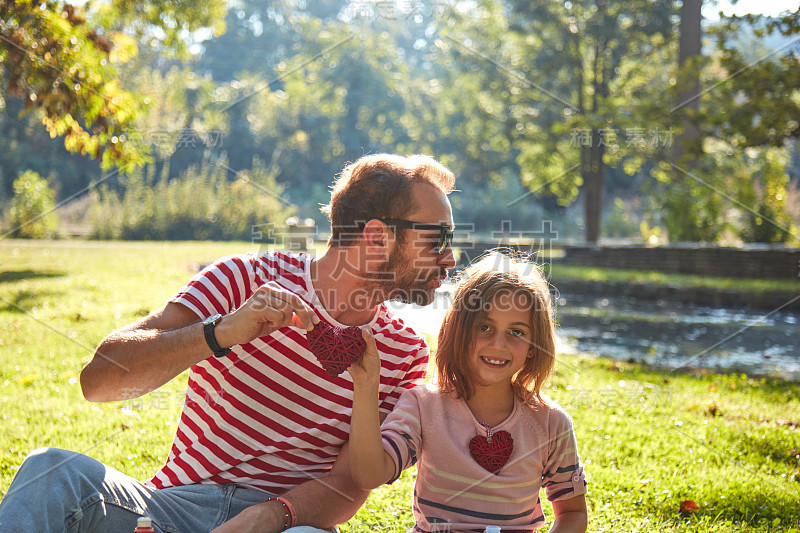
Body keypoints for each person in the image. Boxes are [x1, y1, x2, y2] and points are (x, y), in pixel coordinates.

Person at [0, 153, 457, 533]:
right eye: (437, 239)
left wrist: (270, 515)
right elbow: (99, 381)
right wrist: (220, 332)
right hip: (168, 511)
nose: (450, 258)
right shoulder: (243, 278)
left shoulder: (403, 351)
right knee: (50, 472)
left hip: (284, 525)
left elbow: (350, 483)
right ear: (378, 236)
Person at [347, 252, 588, 533]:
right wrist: (365, 388)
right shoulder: (422, 405)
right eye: (484, 327)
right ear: (459, 330)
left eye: (517, 332)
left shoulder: (551, 423)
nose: (498, 344)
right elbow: (369, 474)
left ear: (534, 346)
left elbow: (572, 513)